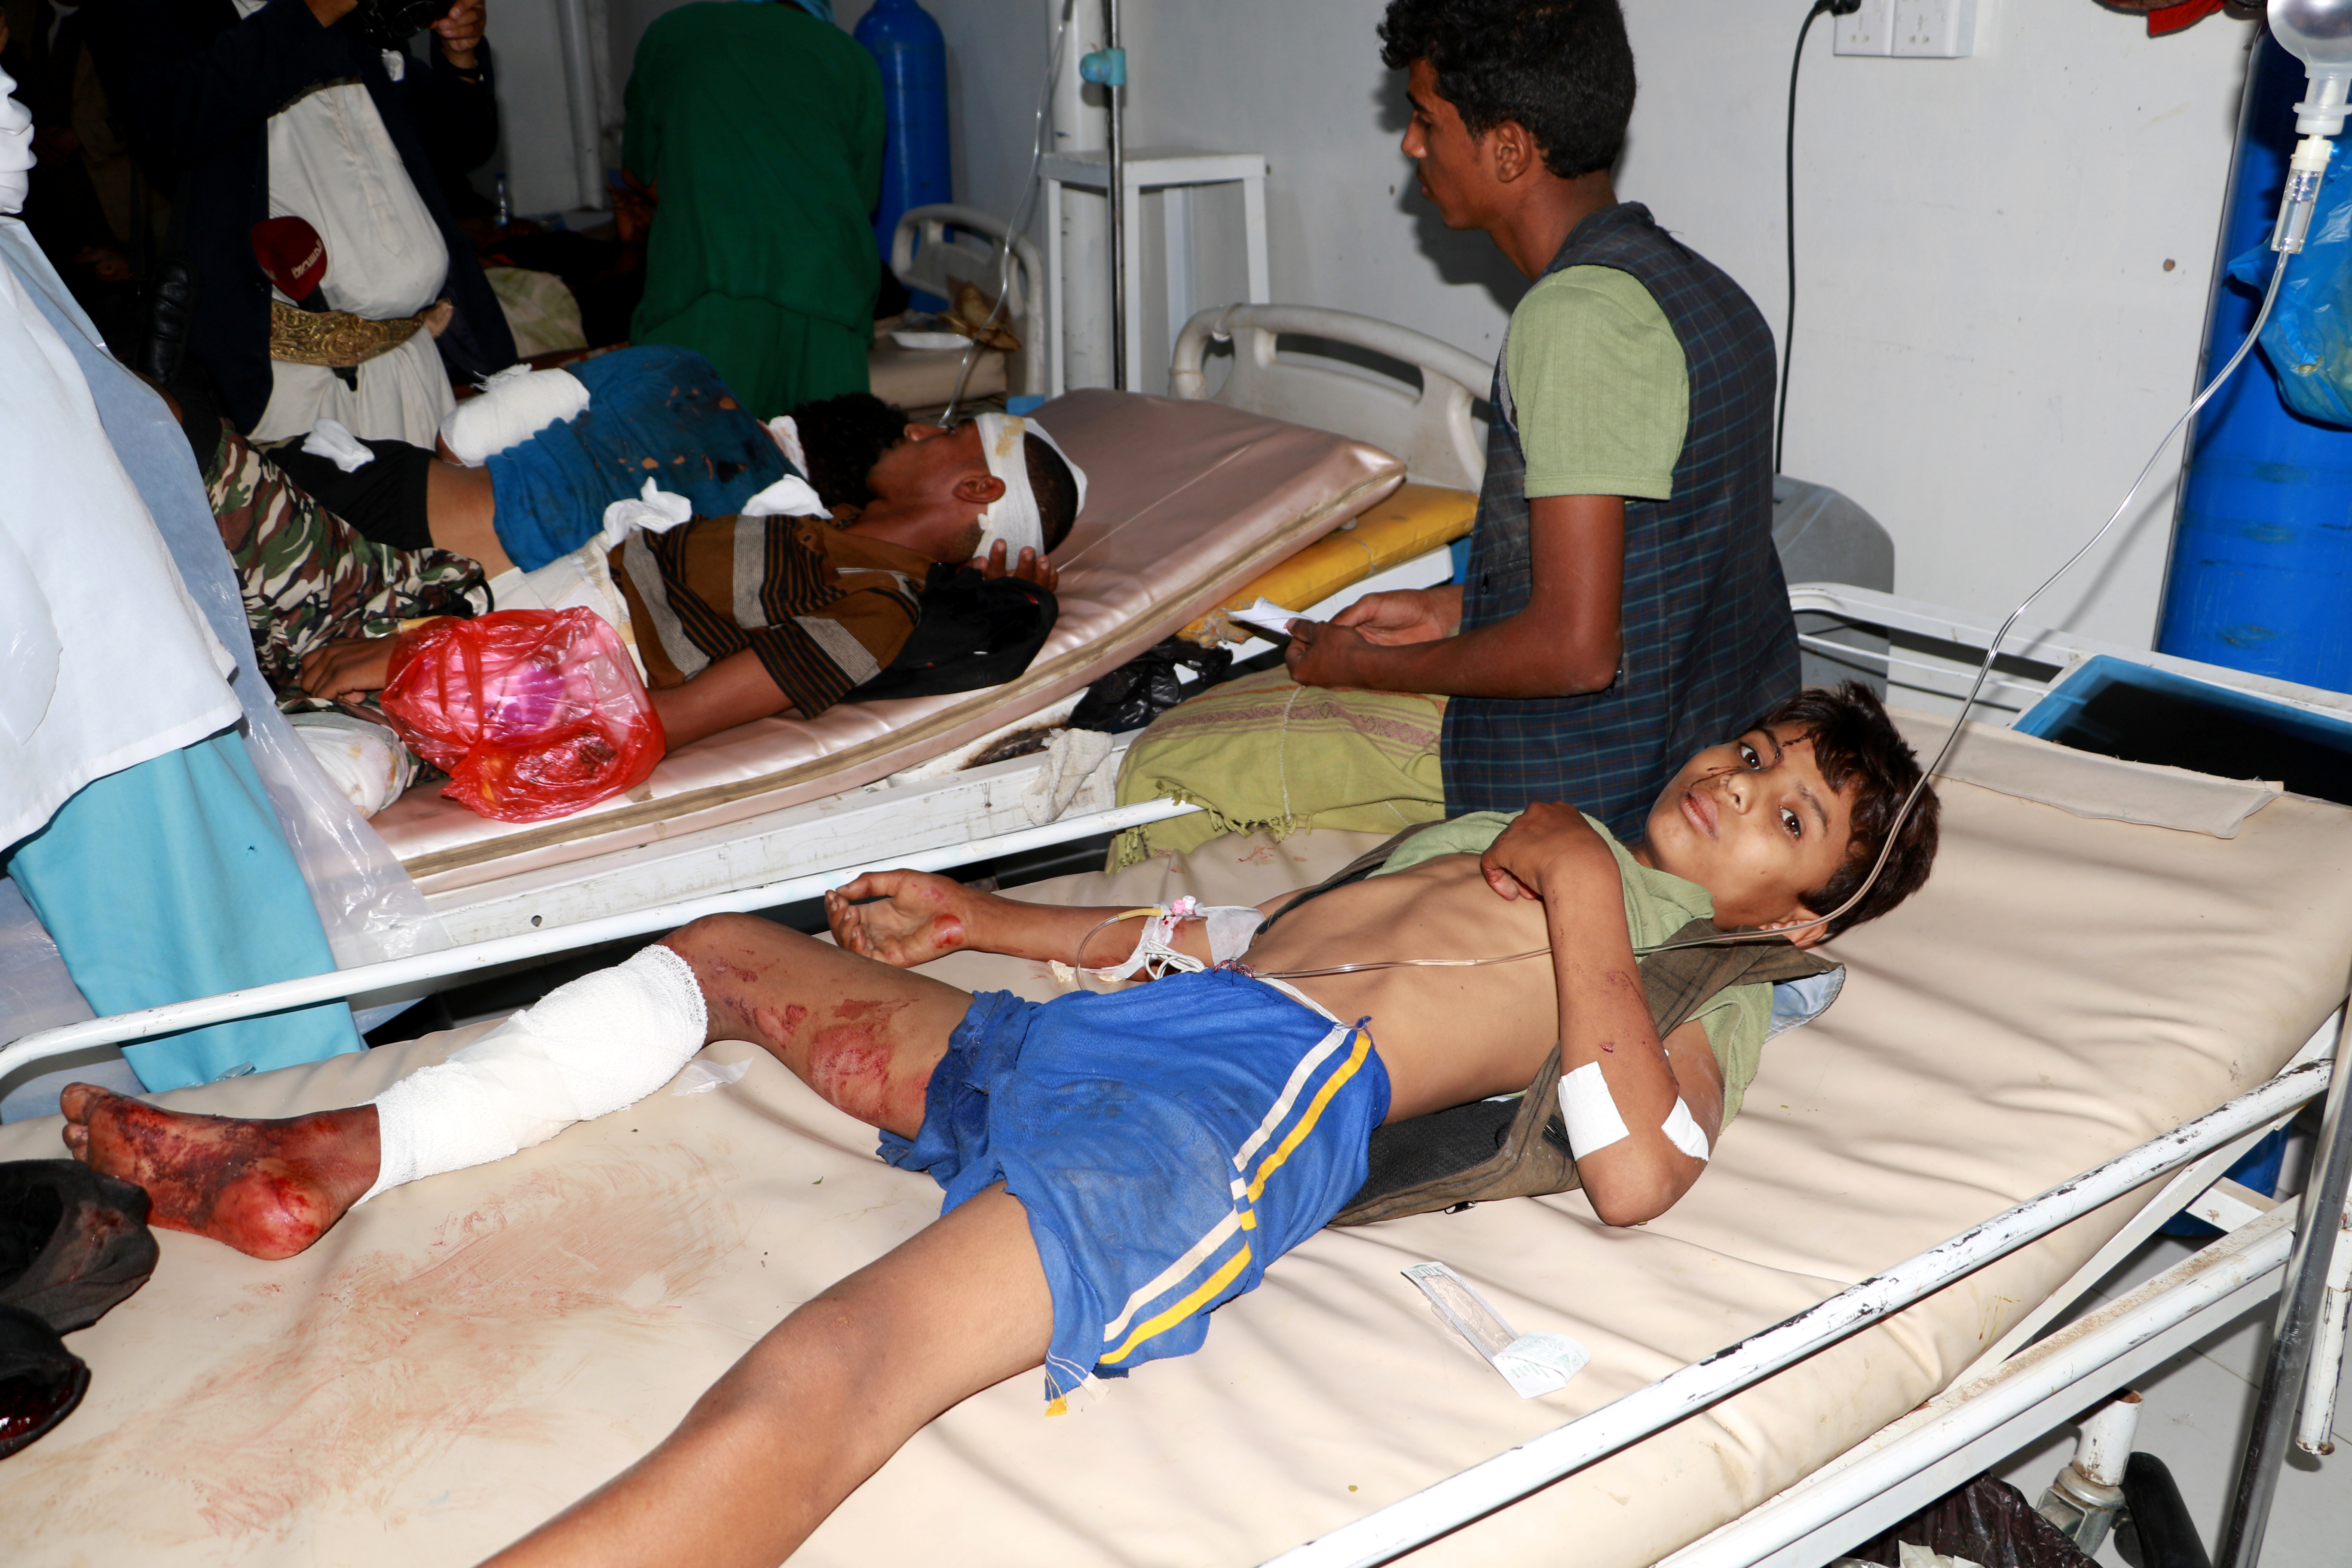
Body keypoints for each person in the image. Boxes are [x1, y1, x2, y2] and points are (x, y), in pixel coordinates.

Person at [57, 683, 1938, 1565]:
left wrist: (1587, 894)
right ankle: (335, 1155)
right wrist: (984, 923)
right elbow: (1232, 937)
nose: (1739, 782)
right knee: (721, 952)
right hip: (1120, 1035)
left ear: (1797, 918)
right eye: (1754, 749)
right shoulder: (1505, 830)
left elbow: (1636, 1172)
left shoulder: (1702, 978)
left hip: (1237, 1104)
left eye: (1786, 817)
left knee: (833, 1366)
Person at [1159, 0, 1796, 857]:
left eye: (1426, 120)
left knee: (1171, 759)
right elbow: (1664, 572)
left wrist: (1366, 669)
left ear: (1507, 150)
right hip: (1703, 756)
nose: (1409, 145)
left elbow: (1576, 654)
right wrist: (1454, 610)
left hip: (1586, 795)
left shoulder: (1573, 323)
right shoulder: (1708, 294)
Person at [220, 406, 1081, 750]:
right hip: (441, 596)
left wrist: (428, 662)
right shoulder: (827, 526)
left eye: (947, 436)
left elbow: (654, 718)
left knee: (259, 743)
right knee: (205, 463)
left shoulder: (875, 612)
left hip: (490, 671)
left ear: (978, 491)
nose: (920, 427)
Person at [89, 0, 515, 446]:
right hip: (295, 384)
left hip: (417, 355)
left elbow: (459, 151)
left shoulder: (353, 18)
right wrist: (313, 11)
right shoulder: (149, 11)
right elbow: (173, 122)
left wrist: (459, 57)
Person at [621, 0, 882, 419]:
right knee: (831, 454)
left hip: (711, 289)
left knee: (693, 452)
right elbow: (860, 198)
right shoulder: (852, 58)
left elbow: (639, 172)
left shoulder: (675, 35)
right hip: (830, 296)